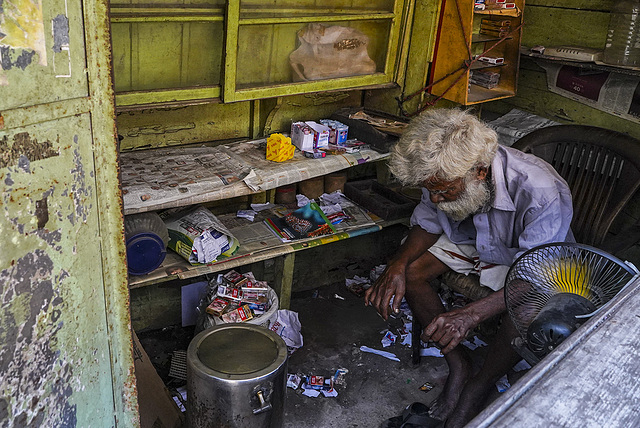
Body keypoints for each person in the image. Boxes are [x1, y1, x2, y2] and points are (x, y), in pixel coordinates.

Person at [364, 108, 574, 427]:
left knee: (529, 308)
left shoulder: (537, 189)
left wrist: (470, 314)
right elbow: (428, 221)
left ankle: (480, 383)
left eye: (444, 190)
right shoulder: (440, 169)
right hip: (474, 239)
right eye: (430, 189)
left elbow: (536, 275)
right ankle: (459, 365)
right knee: (411, 270)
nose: (435, 198)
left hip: (528, 258)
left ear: (478, 172)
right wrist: (397, 264)